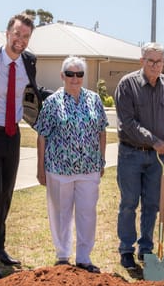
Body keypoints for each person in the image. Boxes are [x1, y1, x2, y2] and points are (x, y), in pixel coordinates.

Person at [0, 14, 47, 280]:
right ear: (7, 33)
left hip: (12, 134)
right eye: (17, 34)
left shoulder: (29, 61)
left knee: (5, 195)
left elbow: (31, 93)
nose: (21, 40)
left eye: (26, 36)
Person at [34, 56, 108, 273]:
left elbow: (102, 131)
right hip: (59, 169)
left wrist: (101, 160)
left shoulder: (94, 99)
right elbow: (42, 137)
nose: (75, 78)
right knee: (60, 214)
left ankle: (84, 258)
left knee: (87, 213)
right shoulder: (51, 103)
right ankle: (63, 256)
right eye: (70, 74)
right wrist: (40, 169)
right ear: (62, 76)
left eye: (79, 74)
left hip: (89, 168)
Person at [114, 42, 164, 269]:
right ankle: (127, 249)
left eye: (159, 61)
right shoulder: (127, 84)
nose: (155, 65)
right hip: (131, 153)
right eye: (150, 61)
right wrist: (154, 141)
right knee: (129, 203)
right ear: (142, 61)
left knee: (152, 204)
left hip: (158, 158)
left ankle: (146, 248)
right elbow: (127, 123)